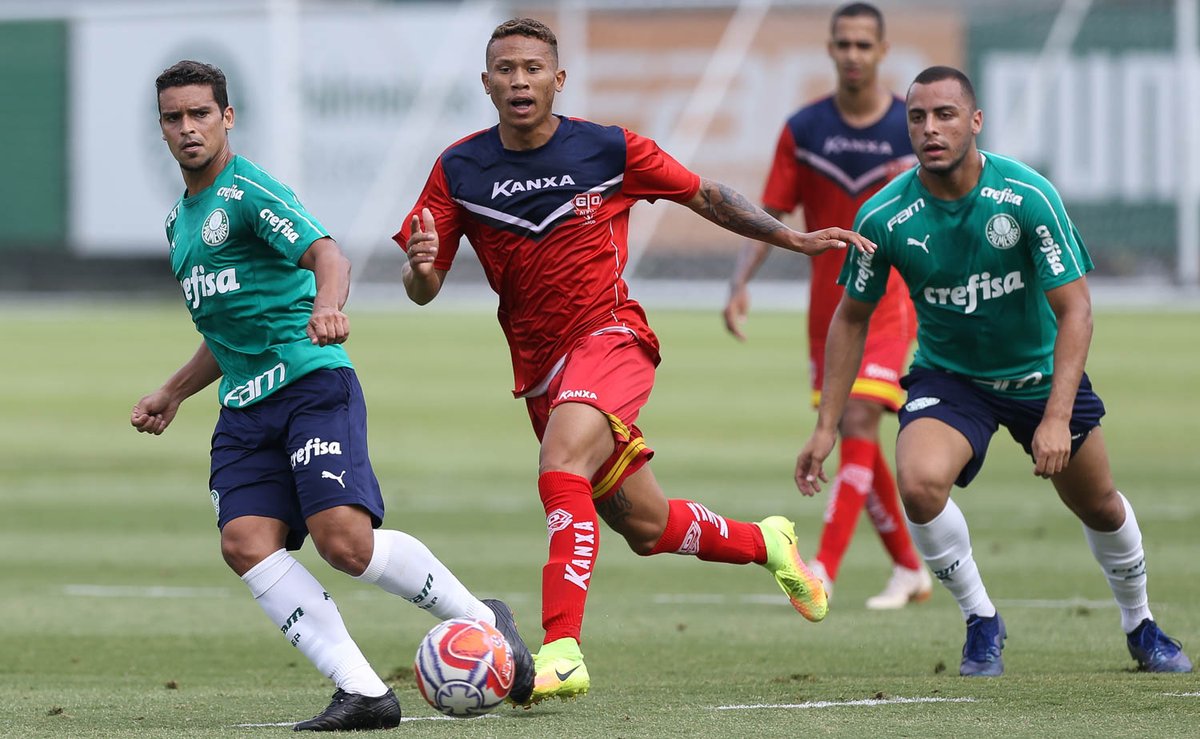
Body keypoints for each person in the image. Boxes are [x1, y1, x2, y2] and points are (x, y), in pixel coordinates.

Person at [395, 18, 877, 706]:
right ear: (486, 83)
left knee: (560, 464)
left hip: (611, 336)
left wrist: (792, 238)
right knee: (645, 527)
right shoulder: (458, 168)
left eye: (533, 68)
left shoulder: (609, 148)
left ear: (557, 80)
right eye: (505, 70)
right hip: (540, 370)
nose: (519, 81)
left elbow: (706, 194)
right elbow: (425, 286)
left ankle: (562, 649)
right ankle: (768, 543)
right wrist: (417, 270)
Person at [131, 60, 535, 731]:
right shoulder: (179, 224)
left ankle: (483, 618)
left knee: (344, 543)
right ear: (162, 128)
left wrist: (327, 307)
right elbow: (230, 332)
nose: (187, 128)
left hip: (311, 386)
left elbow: (329, 254)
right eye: (174, 117)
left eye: (200, 113)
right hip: (244, 407)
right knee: (245, 541)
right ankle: (364, 692)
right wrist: (174, 391)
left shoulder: (248, 192)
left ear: (226, 118)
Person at [795, 65, 1192, 676]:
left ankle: (1140, 623)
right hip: (952, 381)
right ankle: (981, 619)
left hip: (1039, 377)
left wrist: (1057, 417)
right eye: (918, 118)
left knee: (1102, 506)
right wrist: (825, 426)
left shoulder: (1027, 196)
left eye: (945, 115)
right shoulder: (883, 217)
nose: (931, 129)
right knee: (921, 485)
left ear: (975, 121)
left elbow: (1076, 309)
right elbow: (851, 319)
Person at [723, 1, 930, 609]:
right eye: (844, 44)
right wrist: (739, 282)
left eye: (865, 45)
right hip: (831, 314)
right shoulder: (804, 129)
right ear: (830, 49)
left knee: (858, 422)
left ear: (883, 52)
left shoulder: (910, 129)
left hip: (892, 302)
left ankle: (822, 569)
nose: (853, 55)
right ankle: (909, 568)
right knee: (851, 432)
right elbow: (770, 213)